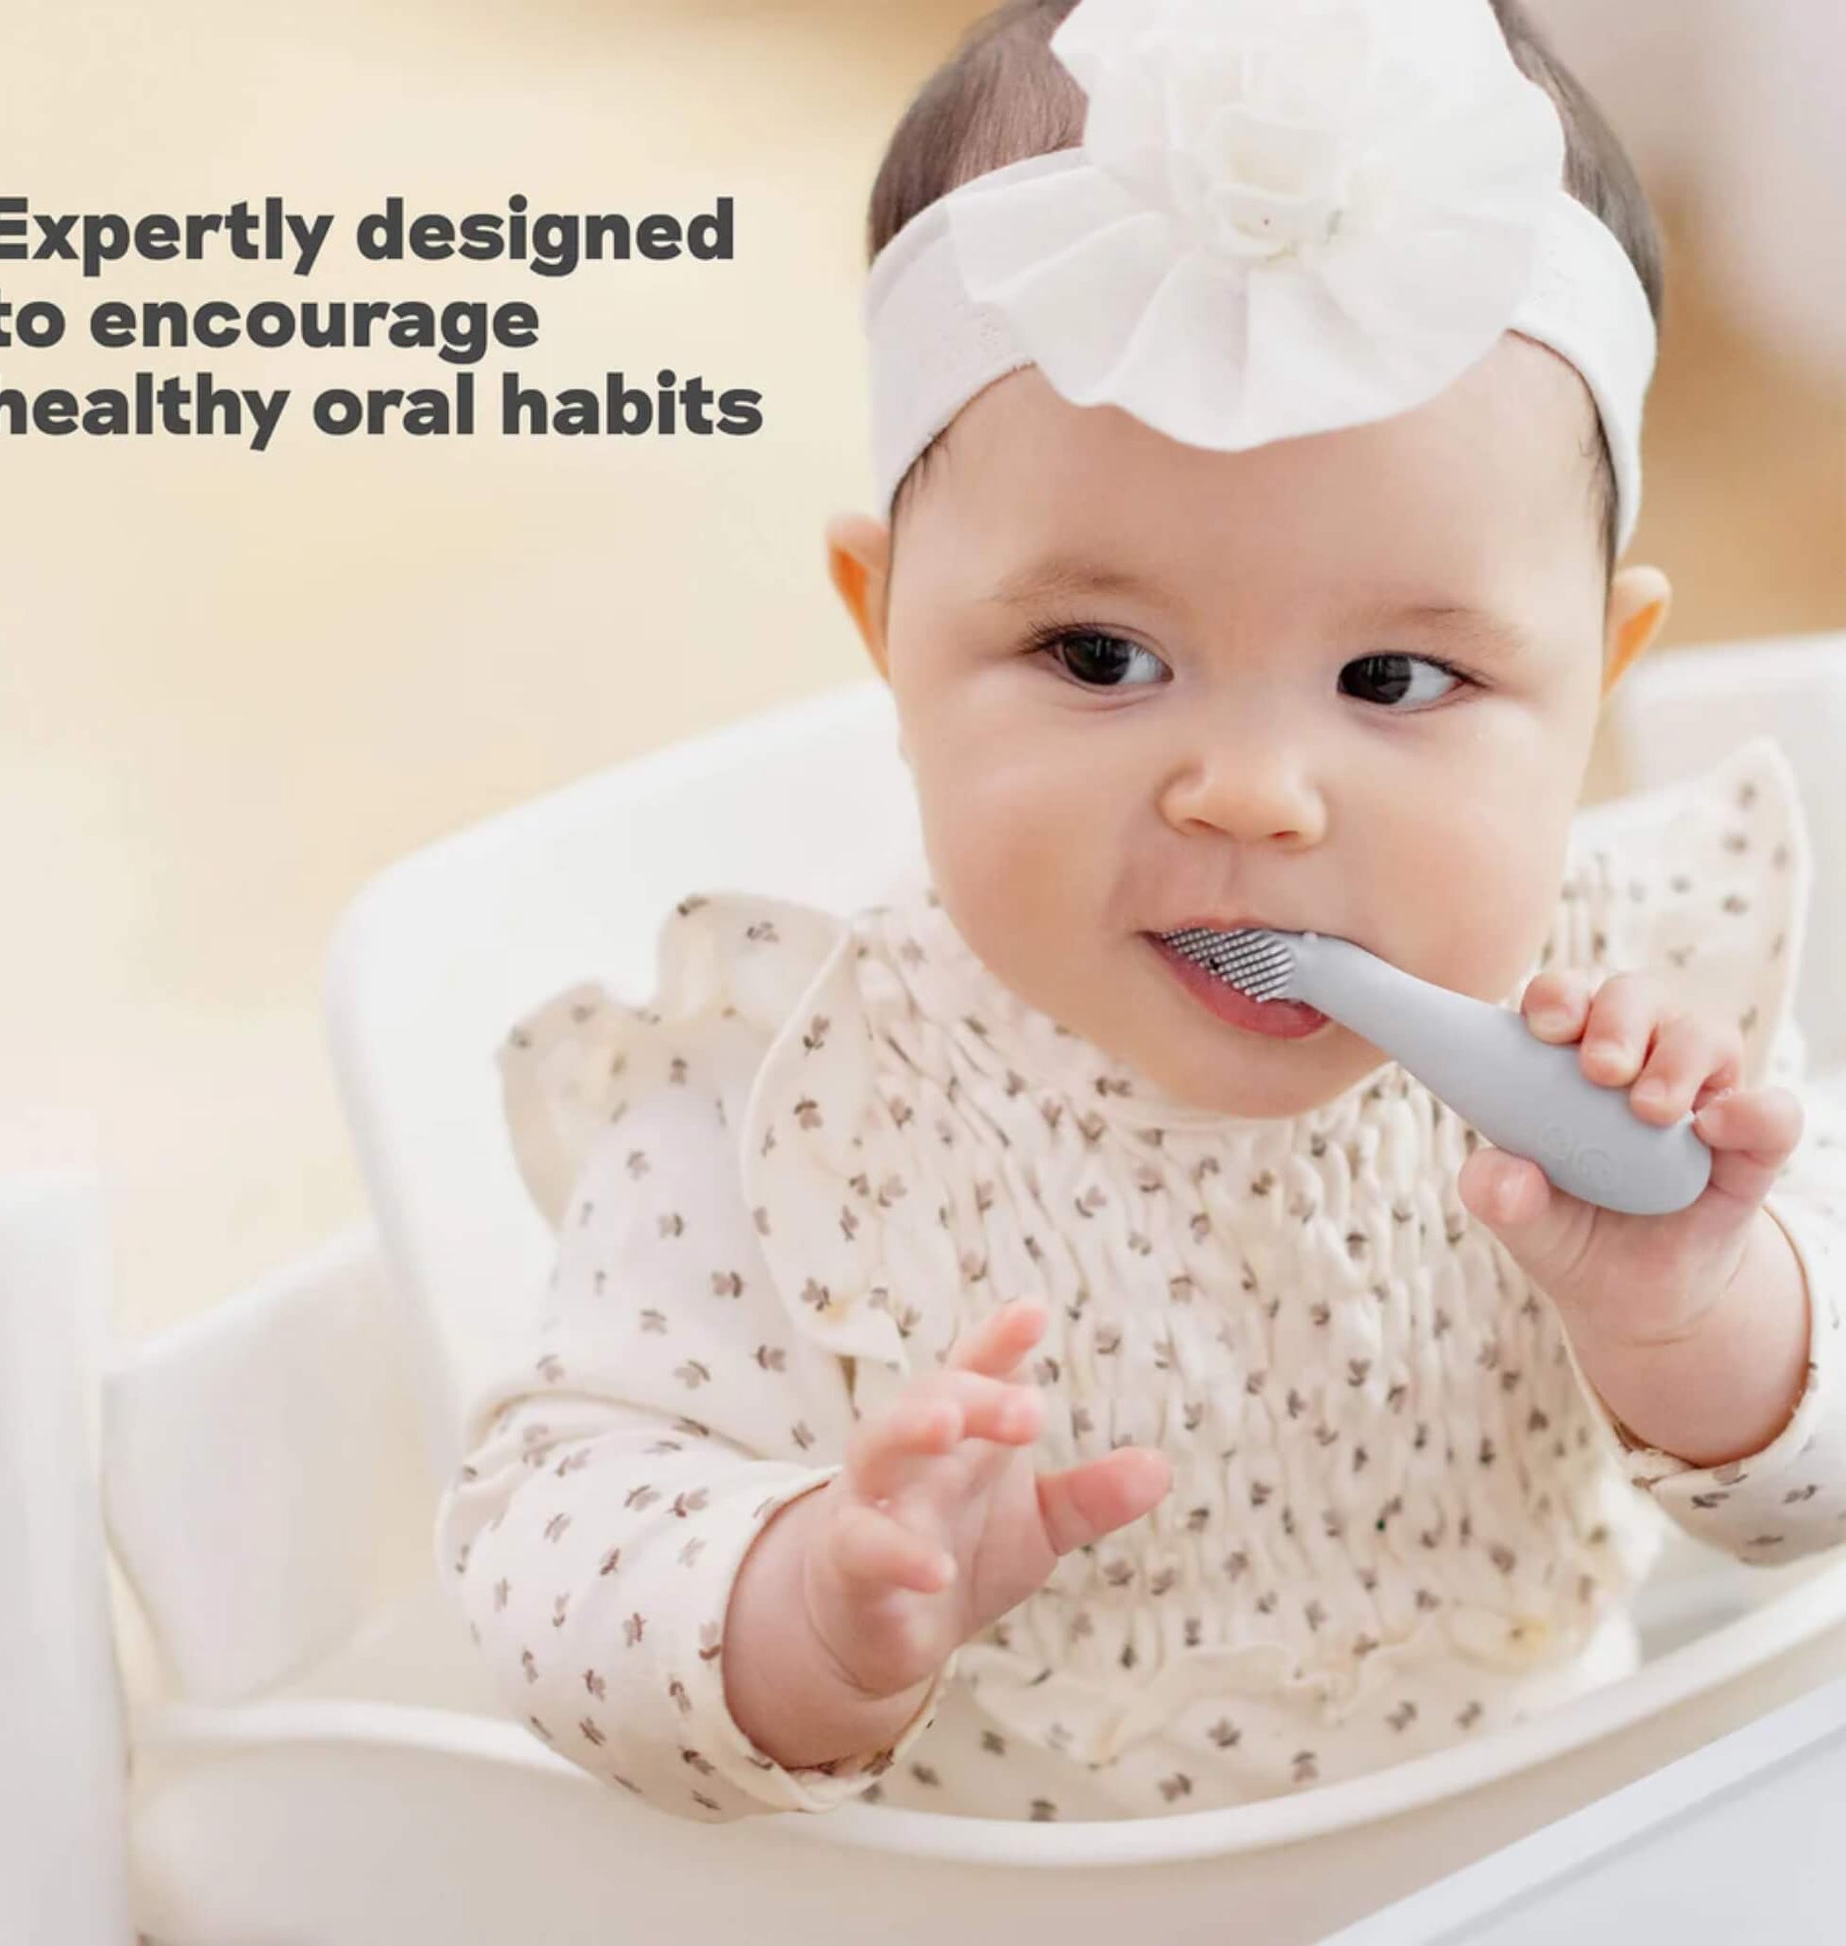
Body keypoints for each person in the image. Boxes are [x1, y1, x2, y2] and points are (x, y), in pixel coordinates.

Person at [435, 0, 1846, 1822]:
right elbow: (544, 1534)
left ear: (1597, 679)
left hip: (1533, 1869)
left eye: (1398, 678)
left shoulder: (1627, 1029)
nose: (1251, 792)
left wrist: (1692, 1309)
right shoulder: (803, 1104)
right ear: (887, 635)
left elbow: (1813, 1496)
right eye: (1101, 655)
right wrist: (809, 1592)